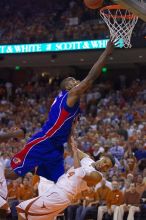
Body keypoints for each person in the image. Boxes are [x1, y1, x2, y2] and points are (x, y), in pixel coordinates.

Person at [4, 39, 116, 182]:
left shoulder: (69, 101)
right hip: (44, 141)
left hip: (56, 147)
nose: (77, 82)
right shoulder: (69, 96)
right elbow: (89, 80)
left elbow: (66, 126)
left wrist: (72, 134)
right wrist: (106, 52)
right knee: (13, 174)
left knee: (58, 183)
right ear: (68, 86)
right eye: (73, 81)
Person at [16, 136, 115, 220]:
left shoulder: (98, 176)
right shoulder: (87, 159)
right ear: (102, 157)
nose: (104, 165)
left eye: (107, 166)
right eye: (105, 161)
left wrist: (76, 152)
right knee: (30, 215)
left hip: (62, 195)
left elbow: (79, 172)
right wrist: (70, 127)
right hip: (56, 189)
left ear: (107, 170)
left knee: (22, 209)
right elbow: (71, 145)